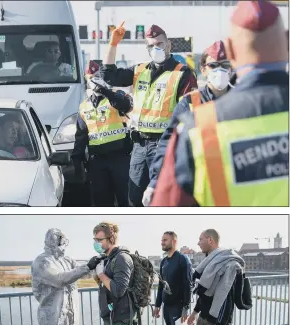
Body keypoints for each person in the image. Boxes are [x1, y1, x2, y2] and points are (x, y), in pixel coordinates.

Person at [151, 0, 289, 207]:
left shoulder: (198, 127)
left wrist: (154, 183)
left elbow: (168, 206)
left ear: (231, 52)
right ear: (287, 41)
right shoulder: (191, 106)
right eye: (213, 65)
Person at [101, 22, 197, 206]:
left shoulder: (182, 73)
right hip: (139, 145)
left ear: (169, 45)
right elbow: (109, 75)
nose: (156, 48)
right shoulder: (139, 70)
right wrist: (113, 45)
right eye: (151, 46)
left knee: (162, 199)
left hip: (164, 146)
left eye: (159, 44)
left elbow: (189, 116)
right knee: (135, 199)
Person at [144, 40, 234, 206]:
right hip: (199, 186)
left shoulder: (243, 102)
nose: (219, 70)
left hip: (234, 183)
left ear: (231, 68)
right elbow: (168, 144)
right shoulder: (190, 102)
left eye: (225, 64)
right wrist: (155, 182)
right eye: (213, 65)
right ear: (203, 70)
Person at [71, 62, 133, 207]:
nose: (95, 80)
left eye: (98, 76)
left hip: (119, 157)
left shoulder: (116, 96)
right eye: (92, 77)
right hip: (97, 161)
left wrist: (106, 91)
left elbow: (125, 105)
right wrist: (77, 161)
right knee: (102, 202)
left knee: (125, 199)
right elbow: (81, 135)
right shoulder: (84, 106)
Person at [153, 231, 194, 325]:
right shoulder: (164, 262)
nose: (162, 242)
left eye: (165, 240)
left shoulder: (183, 260)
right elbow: (161, 285)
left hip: (178, 306)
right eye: (162, 240)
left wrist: (186, 308)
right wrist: (157, 305)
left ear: (174, 241)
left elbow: (187, 285)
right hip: (167, 306)